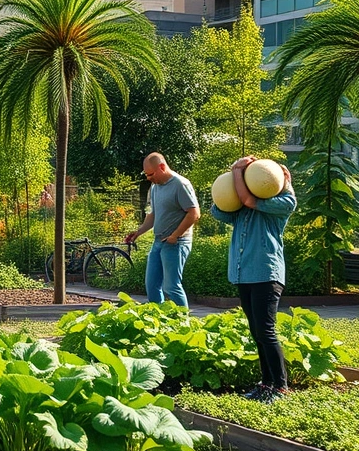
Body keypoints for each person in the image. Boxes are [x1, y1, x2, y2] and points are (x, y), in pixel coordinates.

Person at [210, 156, 297, 403]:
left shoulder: (282, 203)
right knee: (256, 332)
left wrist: (237, 170)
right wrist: (231, 180)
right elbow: (217, 210)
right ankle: (266, 383)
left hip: (266, 274)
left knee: (266, 331)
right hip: (243, 274)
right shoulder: (242, 211)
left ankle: (280, 387)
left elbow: (250, 199)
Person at [125, 153, 200, 308]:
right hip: (158, 241)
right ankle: (158, 323)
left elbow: (194, 213)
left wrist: (175, 236)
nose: (148, 178)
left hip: (176, 242)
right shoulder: (155, 187)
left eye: (151, 174)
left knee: (171, 287)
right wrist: (138, 232)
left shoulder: (181, 184)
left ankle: (183, 323)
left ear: (162, 167)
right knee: (151, 285)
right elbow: (153, 214)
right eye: (146, 175)